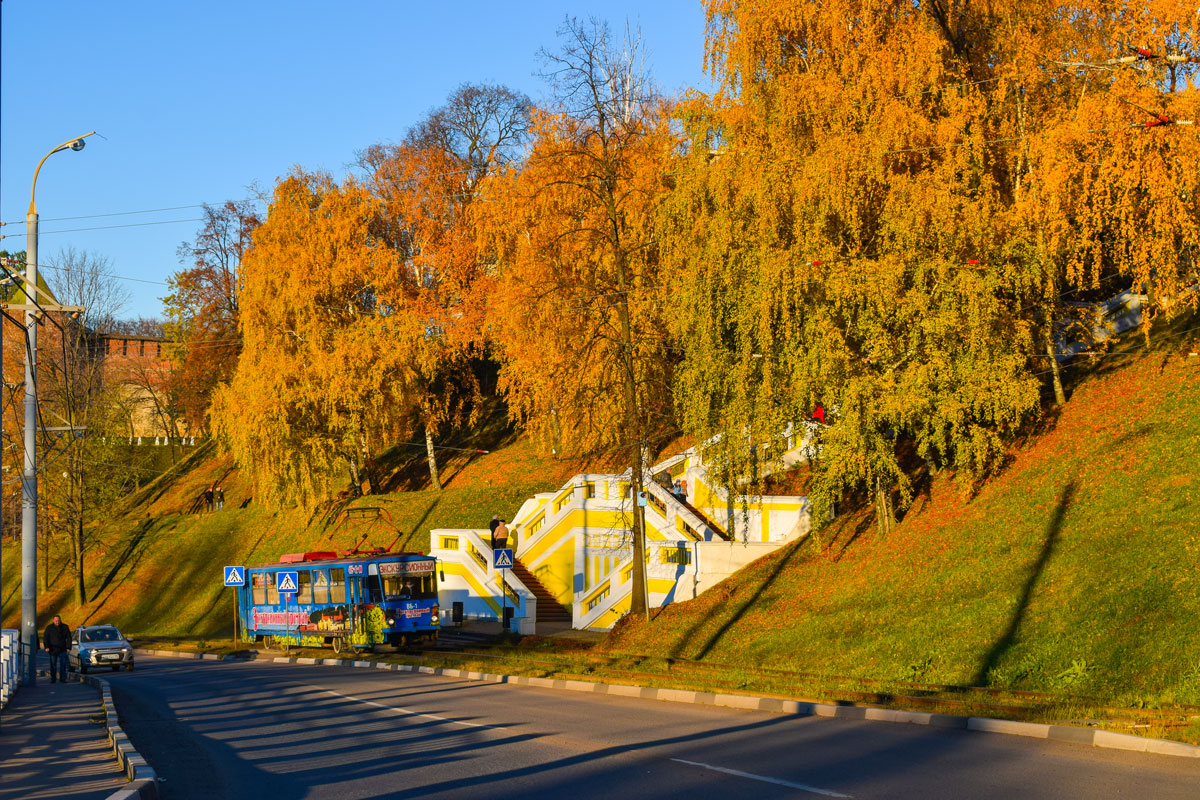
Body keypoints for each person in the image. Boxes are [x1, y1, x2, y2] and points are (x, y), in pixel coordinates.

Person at [43, 614, 71, 684]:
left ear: (60, 620)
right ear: (53, 620)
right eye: (56, 621)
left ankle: (63, 678)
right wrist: (46, 647)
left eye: (58, 620)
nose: (57, 622)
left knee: (63, 664)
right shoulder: (49, 628)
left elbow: (69, 638)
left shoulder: (65, 627)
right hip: (53, 649)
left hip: (63, 648)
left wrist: (68, 647)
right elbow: (45, 638)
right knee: (53, 665)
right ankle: (53, 679)